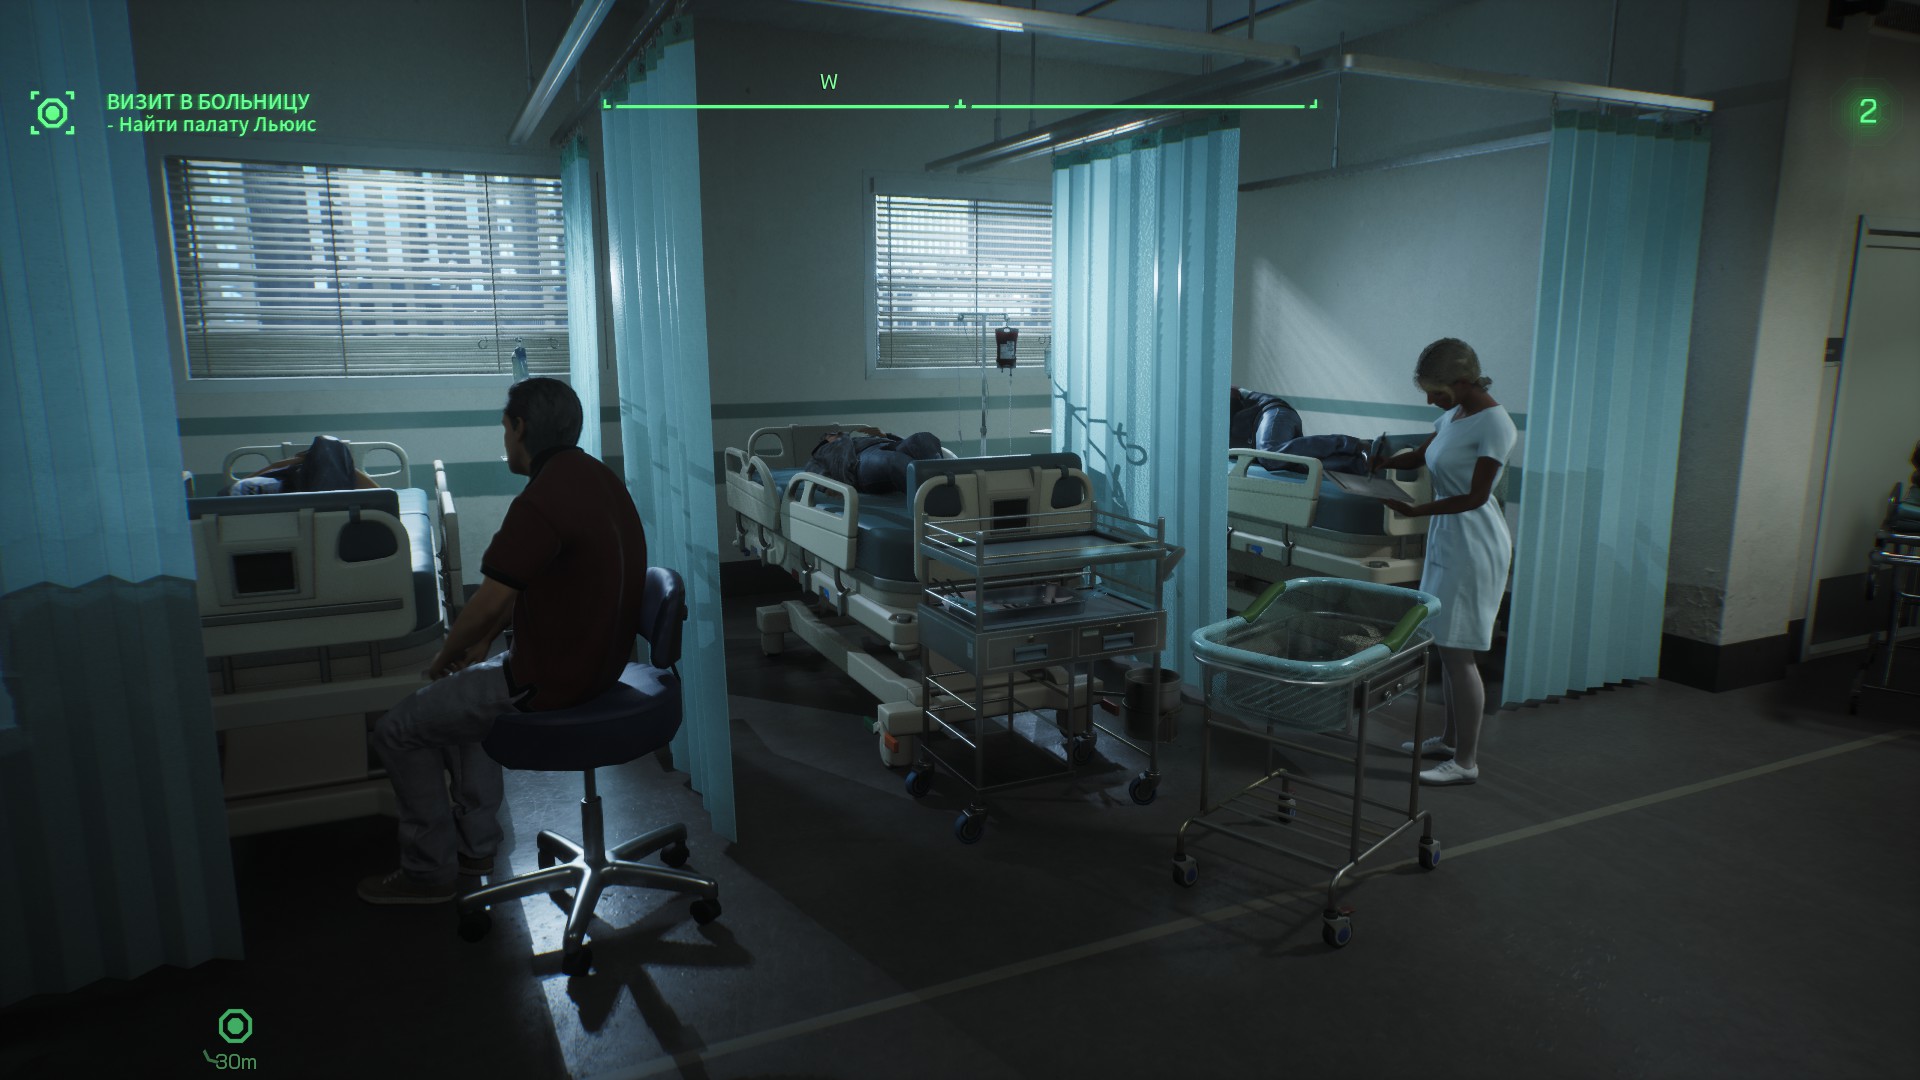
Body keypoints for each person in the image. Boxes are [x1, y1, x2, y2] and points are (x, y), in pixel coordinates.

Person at [357, 377, 647, 903]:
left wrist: (446, 655)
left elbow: (489, 599)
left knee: (398, 729)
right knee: (461, 705)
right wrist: (483, 642)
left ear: (520, 427)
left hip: (551, 680)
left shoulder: (542, 499)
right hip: (602, 666)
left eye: (505, 429)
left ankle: (427, 874)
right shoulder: (598, 477)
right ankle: (476, 847)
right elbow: (531, 582)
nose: (505, 440)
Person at [1369, 338, 1517, 786]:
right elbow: (1423, 455)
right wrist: (1385, 461)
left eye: (1437, 391)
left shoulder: (1495, 424)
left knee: (1459, 652)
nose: (1431, 401)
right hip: (1448, 539)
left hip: (1474, 542)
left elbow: (1475, 497)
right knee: (1446, 644)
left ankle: (1466, 763)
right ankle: (1451, 741)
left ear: (1463, 381)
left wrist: (1416, 511)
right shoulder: (1455, 415)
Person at [227, 434, 377, 495]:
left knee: (328, 443)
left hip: (302, 490)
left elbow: (377, 492)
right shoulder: (230, 496)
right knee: (327, 441)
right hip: (308, 497)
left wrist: (284, 464)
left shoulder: (235, 489)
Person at [806, 430, 945, 494]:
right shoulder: (821, 452)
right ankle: (936, 497)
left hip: (886, 445)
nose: (839, 433)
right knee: (895, 461)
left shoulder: (859, 439)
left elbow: (905, 442)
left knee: (922, 438)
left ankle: (946, 481)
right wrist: (828, 488)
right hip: (860, 461)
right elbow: (811, 470)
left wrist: (883, 435)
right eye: (832, 434)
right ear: (825, 439)